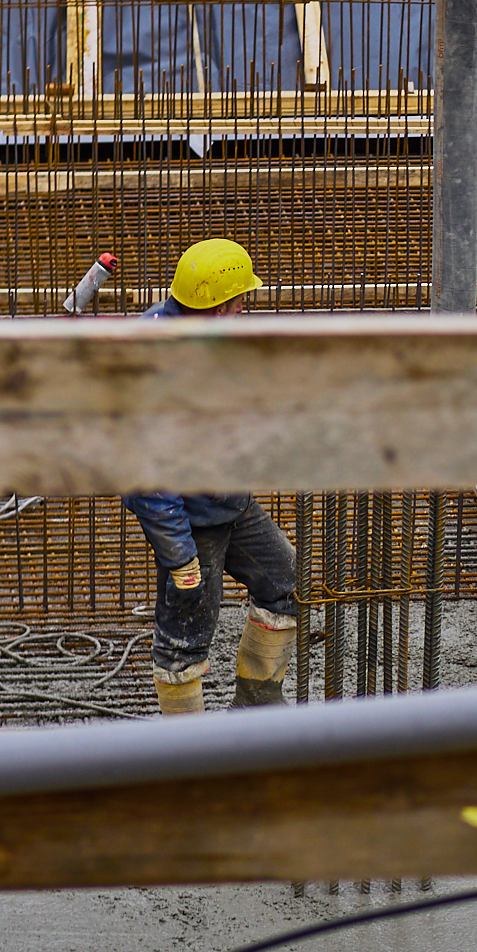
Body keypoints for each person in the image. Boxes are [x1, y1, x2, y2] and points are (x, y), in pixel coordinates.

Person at [122, 239, 299, 714]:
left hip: (228, 503)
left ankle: (257, 704)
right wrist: (179, 555)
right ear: (219, 306)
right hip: (190, 523)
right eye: (240, 302)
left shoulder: (204, 334)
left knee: (282, 578)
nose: (244, 309)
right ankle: (192, 752)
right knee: (187, 629)